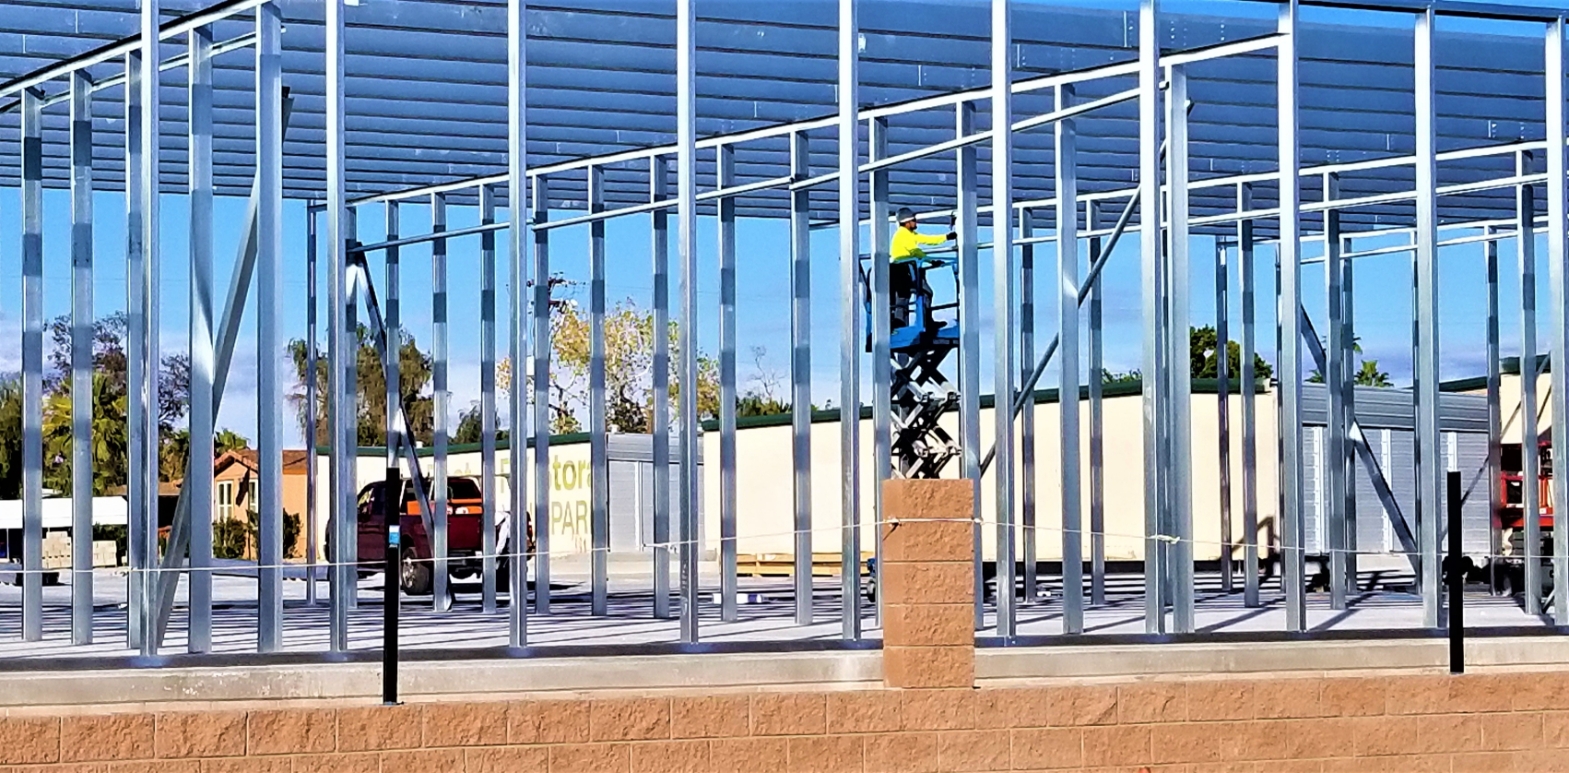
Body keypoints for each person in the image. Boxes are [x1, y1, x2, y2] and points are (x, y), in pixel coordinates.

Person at [888, 207, 956, 328]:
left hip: (907, 269)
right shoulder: (903, 235)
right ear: (907, 222)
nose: (916, 222)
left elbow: (927, 240)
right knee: (916, 294)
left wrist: (946, 237)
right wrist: (931, 261)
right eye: (913, 220)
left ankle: (904, 322)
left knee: (906, 296)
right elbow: (915, 251)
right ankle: (913, 322)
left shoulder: (909, 234)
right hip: (902, 270)